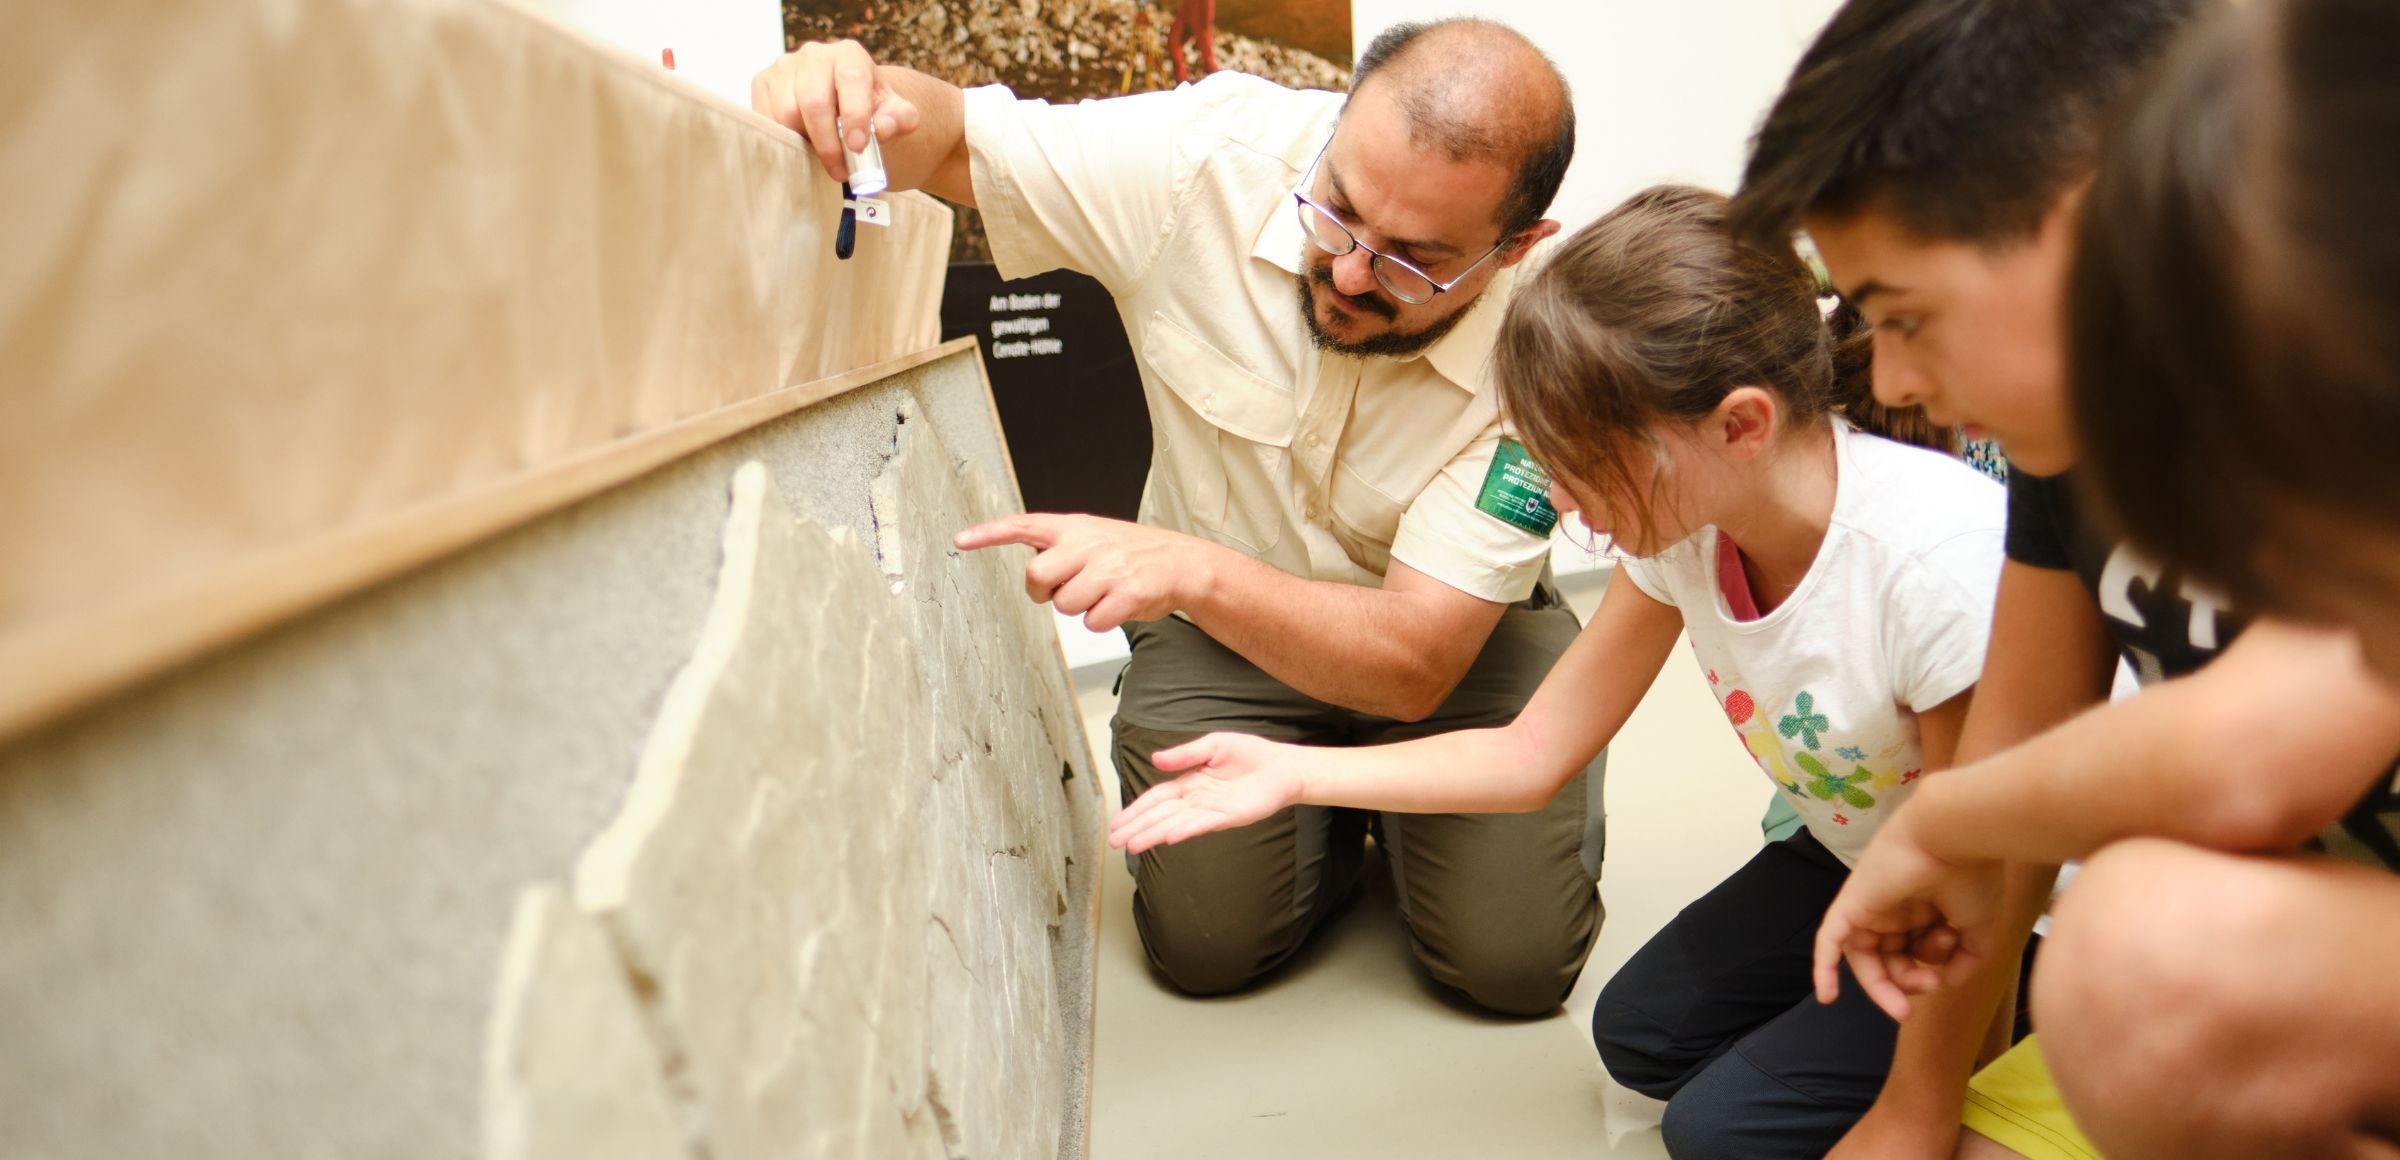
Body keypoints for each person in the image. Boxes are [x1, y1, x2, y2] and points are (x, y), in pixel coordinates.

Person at [1111, 184, 2007, 1160]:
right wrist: (1294, 772)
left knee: (1717, 1133)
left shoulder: (1930, 566)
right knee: (1643, 1032)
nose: (1571, 509)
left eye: (1587, 464)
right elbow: (1534, 749)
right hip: (1861, 851)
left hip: (2021, 900)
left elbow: (1990, 875)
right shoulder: (1688, 525)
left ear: (1740, 425)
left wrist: (1931, 1111)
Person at [751, 20, 1604, 1016]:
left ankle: (1384, 808)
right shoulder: (1205, 157)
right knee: (1207, 949)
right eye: (1338, 212)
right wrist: (844, 94)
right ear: (1335, 130)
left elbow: (1417, 658)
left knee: (1513, 971)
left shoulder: (1558, 344)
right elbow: (941, 142)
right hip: (1227, 649)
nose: (1353, 271)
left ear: (1517, 246)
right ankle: (1335, 826)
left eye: (1417, 261)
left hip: (1453, 646)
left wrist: (1190, 569)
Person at [1733, 0, 2400, 1156]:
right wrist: (1913, 1106)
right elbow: (2019, 745)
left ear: (2098, 212)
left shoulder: (2345, 369)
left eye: (1907, 315)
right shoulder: (2078, 443)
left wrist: (1939, 814)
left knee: (2138, 957)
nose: (1889, 373)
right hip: (2335, 964)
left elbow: (2250, 755)